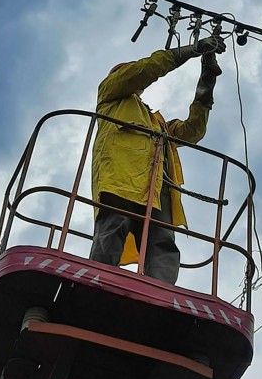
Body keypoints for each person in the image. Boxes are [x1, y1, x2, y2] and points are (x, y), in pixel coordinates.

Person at [90, 36, 225, 284]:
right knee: (114, 227)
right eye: (126, 71)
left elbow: (192, 131)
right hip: (122, 177)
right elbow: (143, 70)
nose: (131, 75)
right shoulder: (110, 95)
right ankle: (98, 280)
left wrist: (207, 79)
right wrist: (190, 50)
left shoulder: (158, 123)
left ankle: (161, 291)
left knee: (162, 241)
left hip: (159, 189)